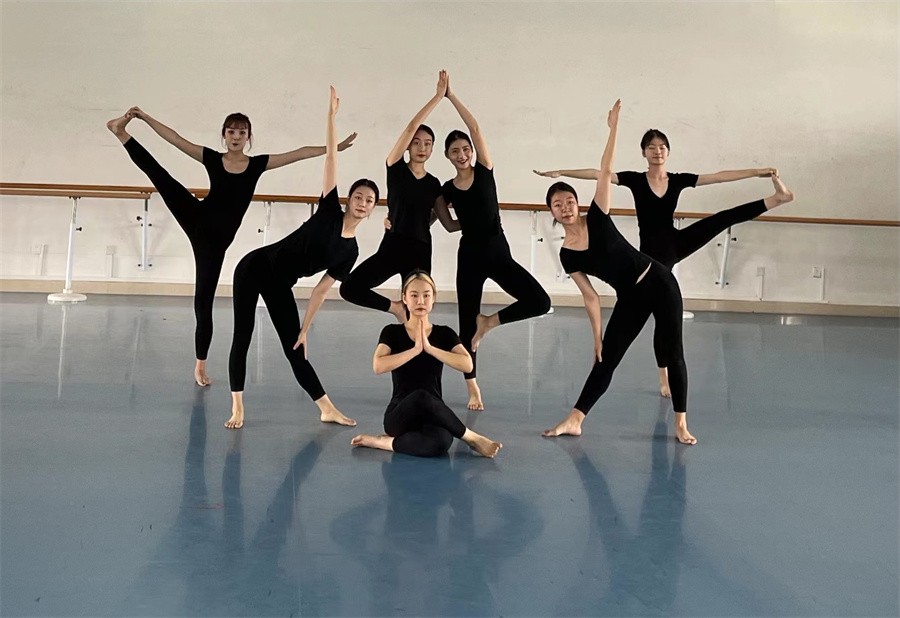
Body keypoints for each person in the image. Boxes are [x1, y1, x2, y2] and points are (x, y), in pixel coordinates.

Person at [106, 106, 356, 386]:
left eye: (242, 132)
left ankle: (199, 364)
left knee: (203, 302)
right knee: (160, 176)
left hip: (213, 244)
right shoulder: (212, 158)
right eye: (231, 132)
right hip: (196, 217)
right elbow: (175, 139)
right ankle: (121, 132)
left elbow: (298, 153)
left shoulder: (258, 164)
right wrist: (145, 117)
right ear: (224, 135)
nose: (236, 137)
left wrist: (334, 148)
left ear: (248, 137)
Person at [534, 130, 793, 397]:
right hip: (651, 256)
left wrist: (756, 172)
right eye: (651, 147)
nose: (657, 151)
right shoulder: (635, 179)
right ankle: (663, 376)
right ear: (644, 153)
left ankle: (777, 199)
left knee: (721, 219)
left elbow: (717, 177)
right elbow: (599, 173)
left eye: (661, 147)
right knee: (660, 316)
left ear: (668, 151)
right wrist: (562, 172)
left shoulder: (678, 180)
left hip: (676, 242)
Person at [541, 100, 697, 444]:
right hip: (631, 297)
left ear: (578, 203)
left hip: (659, 282)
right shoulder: (568, 254)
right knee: (605, 359)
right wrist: (597, 337)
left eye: (569, 201)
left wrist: (613, 128)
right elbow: (591, 297)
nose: (565, 207)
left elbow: (605, 169)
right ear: (551, 212)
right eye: (558, 205)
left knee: (673, 352)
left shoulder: (598, 215)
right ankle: (575, 419)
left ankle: (681, 423)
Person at [224, 87, 375, 430]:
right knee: (242, 336)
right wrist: (331, 117)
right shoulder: (329, 210)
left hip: (280, 283)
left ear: (372, 209)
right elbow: (331, 159)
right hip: (253, 268)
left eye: (369, 200)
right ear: (349, 199)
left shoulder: (350, 252)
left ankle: (326, 408)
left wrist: (305, 329)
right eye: (358, 196)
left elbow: (321, 290)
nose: (362, 202)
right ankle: (237, 407)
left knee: (295, 346)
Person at [434, 73, 551, 411]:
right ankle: (473, 388)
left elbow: (475, 127)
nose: (461, 154)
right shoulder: (447, 189)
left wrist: (450, 96)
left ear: (472, 151)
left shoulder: (485, 170)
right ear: (447, 156)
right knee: (465, 323)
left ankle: (490, 322)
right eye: (454, 151)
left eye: (465, 149)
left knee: (539, 300)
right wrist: (397, 221)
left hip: (498, 253)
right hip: (469, 256)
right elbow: (447, 225)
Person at [351, 271, 502, 458]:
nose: (420, 301)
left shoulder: (444, 333)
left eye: (426, 295)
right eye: (414, 295)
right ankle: (472, 438)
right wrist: (415, 350)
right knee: (420, 396)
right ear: (404, 299)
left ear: (433, 299)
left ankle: (383, 442)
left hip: (434, 412)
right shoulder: (392, 332)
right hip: (399, 415)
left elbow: (467, 364)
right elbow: (378, 366)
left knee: (441, 442)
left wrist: (430, 349)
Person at [339, 71, 447, 322]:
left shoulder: (434, 184)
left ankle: (417, 342)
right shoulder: (396, 169)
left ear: (433, 148)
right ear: (408, 145)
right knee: (350, 287)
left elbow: (438, 218)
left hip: (421, 249)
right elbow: (410, 127)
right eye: (416, 142)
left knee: (418, 312)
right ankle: (395, 308)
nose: (422, 147)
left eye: (427, 143)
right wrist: (437, 97)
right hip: (393, 246)